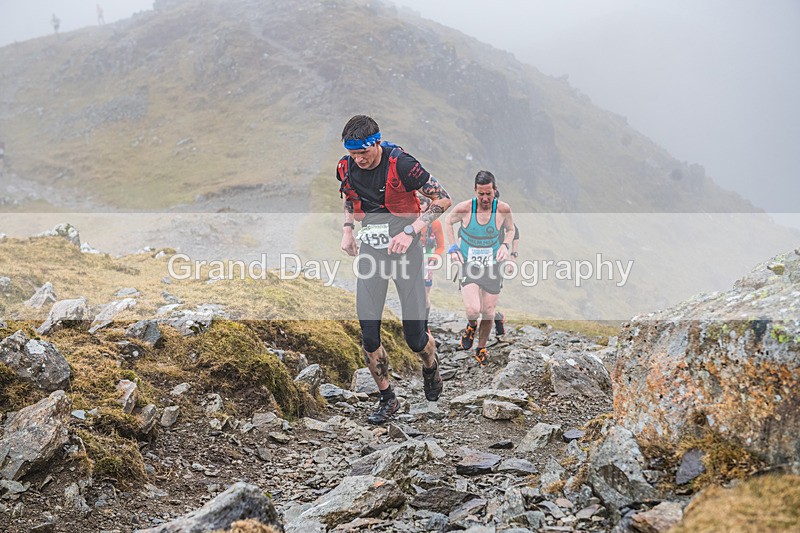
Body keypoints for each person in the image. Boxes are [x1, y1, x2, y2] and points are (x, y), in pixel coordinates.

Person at [338, 115, 452, 424]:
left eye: (363, 152)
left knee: (415, 338)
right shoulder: (346, 167)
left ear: (376, 143)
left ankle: (431, 367)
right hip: (373, 249)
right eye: (353, 154)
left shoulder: (402, 164)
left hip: (406, 247)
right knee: (369, 332)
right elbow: (349, 198)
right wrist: (348, 230)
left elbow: (443, 199)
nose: (358, 159)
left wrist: (411, 232)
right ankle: (387, 398)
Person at [445, 170, 515, 367]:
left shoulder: (502, 209)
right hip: (470, 264)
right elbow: (448, 221)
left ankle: (481, 347)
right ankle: (471, 325)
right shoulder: (466, 208)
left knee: (489, 311)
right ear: (475, 191)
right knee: (473, 309)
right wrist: (453, 248)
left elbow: (511, 230)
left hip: (493, 265)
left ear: (495, 191)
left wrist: (505, 246)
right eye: (480, 194)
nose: (485, 198)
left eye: (488, 194)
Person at [491, 189, 520, 336]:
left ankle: (497, 318)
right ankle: (495, 317)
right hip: (477, 261)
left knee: (488, 297)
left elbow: (515, 232)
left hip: (497, 260)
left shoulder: (502, 214)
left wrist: (512, 258)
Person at [418, 193, 445, 331]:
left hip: (427, 258)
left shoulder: (435, 223)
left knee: (424, 295)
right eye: (419, 210)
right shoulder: (408, 220)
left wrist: (434, 259)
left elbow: (441, 246)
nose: (421, 214)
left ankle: (424, 325)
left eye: (424, 211)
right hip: (410, 258)